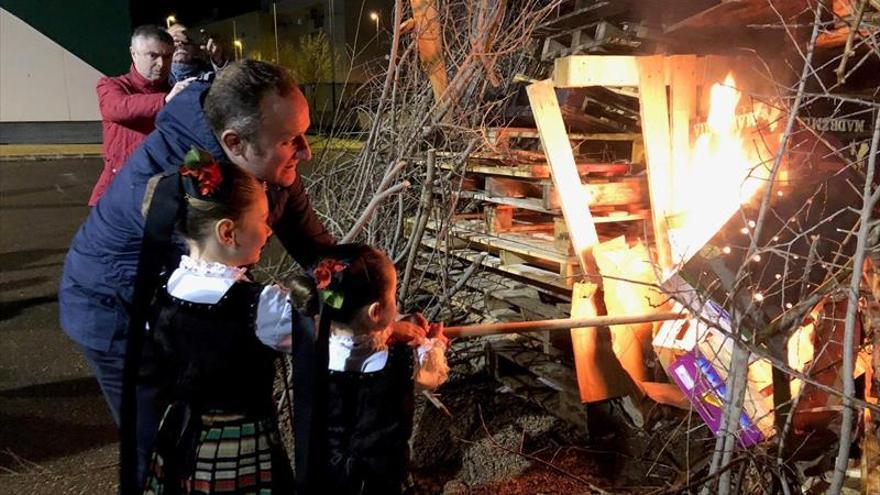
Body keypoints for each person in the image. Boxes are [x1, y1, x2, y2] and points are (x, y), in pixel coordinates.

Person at [59, 60, 334, 488]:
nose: (306, 150)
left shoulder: (259, 155)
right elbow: (212, 310)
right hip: (118, 311)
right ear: (234, 143)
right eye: (290, 140)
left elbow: (314, 246)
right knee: (160, 447)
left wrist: (364, 285)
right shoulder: (178, 193)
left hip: (173, 315)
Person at [142, 161, 300, 494]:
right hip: (239, 446)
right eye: (262, 220)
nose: (269, 230)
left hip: (177, 438)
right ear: (227, 232)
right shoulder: (260, 306)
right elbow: (326, 336)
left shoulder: (164, 287)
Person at [293, 243, 449, 494]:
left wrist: (394, 328)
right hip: (382, 477)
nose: (396, 308)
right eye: (393, 299)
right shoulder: (400, 358)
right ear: (376, 312)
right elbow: (430, 379)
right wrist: (434, 344)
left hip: (328, 475)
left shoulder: (312, 350)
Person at [89, 25, 195, 206]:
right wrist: (167, 100)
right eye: (153, 56)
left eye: (167, 56)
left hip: (161, 194)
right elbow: (117, 108)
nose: (161, 64)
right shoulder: (111, 85)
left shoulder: (175, 94)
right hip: (118, 194)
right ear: (133, 53)